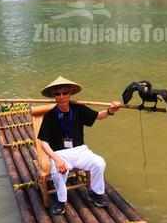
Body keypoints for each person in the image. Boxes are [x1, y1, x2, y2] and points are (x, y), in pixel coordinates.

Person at [37, 76, 121, 215]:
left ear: (70, 94)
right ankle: (61, 201)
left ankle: (96, 193)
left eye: (65, 93)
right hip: (60, 154)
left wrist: (111, 110)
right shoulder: (50, 116)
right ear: (54, 96)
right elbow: (43, 143)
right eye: (58, 94)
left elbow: (98, 116)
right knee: (57, 172)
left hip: (81, 151)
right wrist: (56, 159)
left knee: (99, 162)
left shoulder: (78, 109)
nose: (62, 96)